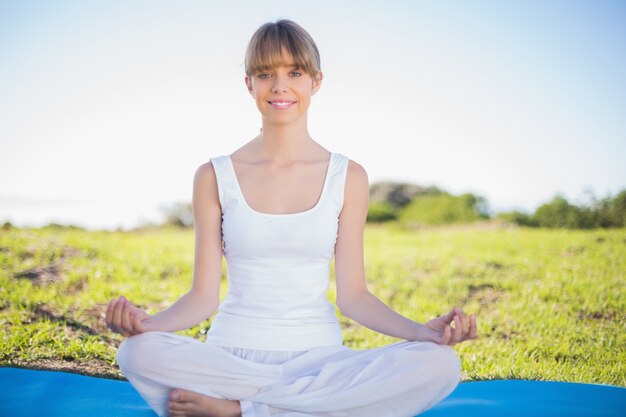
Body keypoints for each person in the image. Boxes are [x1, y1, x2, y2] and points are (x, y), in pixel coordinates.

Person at [105, 18, 478, 417]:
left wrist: (422, 333)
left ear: (316, 81)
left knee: (439, 364)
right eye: (266, 73)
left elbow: (354, 297)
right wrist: (147, 326)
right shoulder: (214, 175)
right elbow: (203, 297)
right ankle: (300, 407)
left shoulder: (347, 177)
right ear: (249, 84)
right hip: (230, 361)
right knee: (137, 353)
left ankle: (239, 411)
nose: (280, 86)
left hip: (319, 361)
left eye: (294, 72)